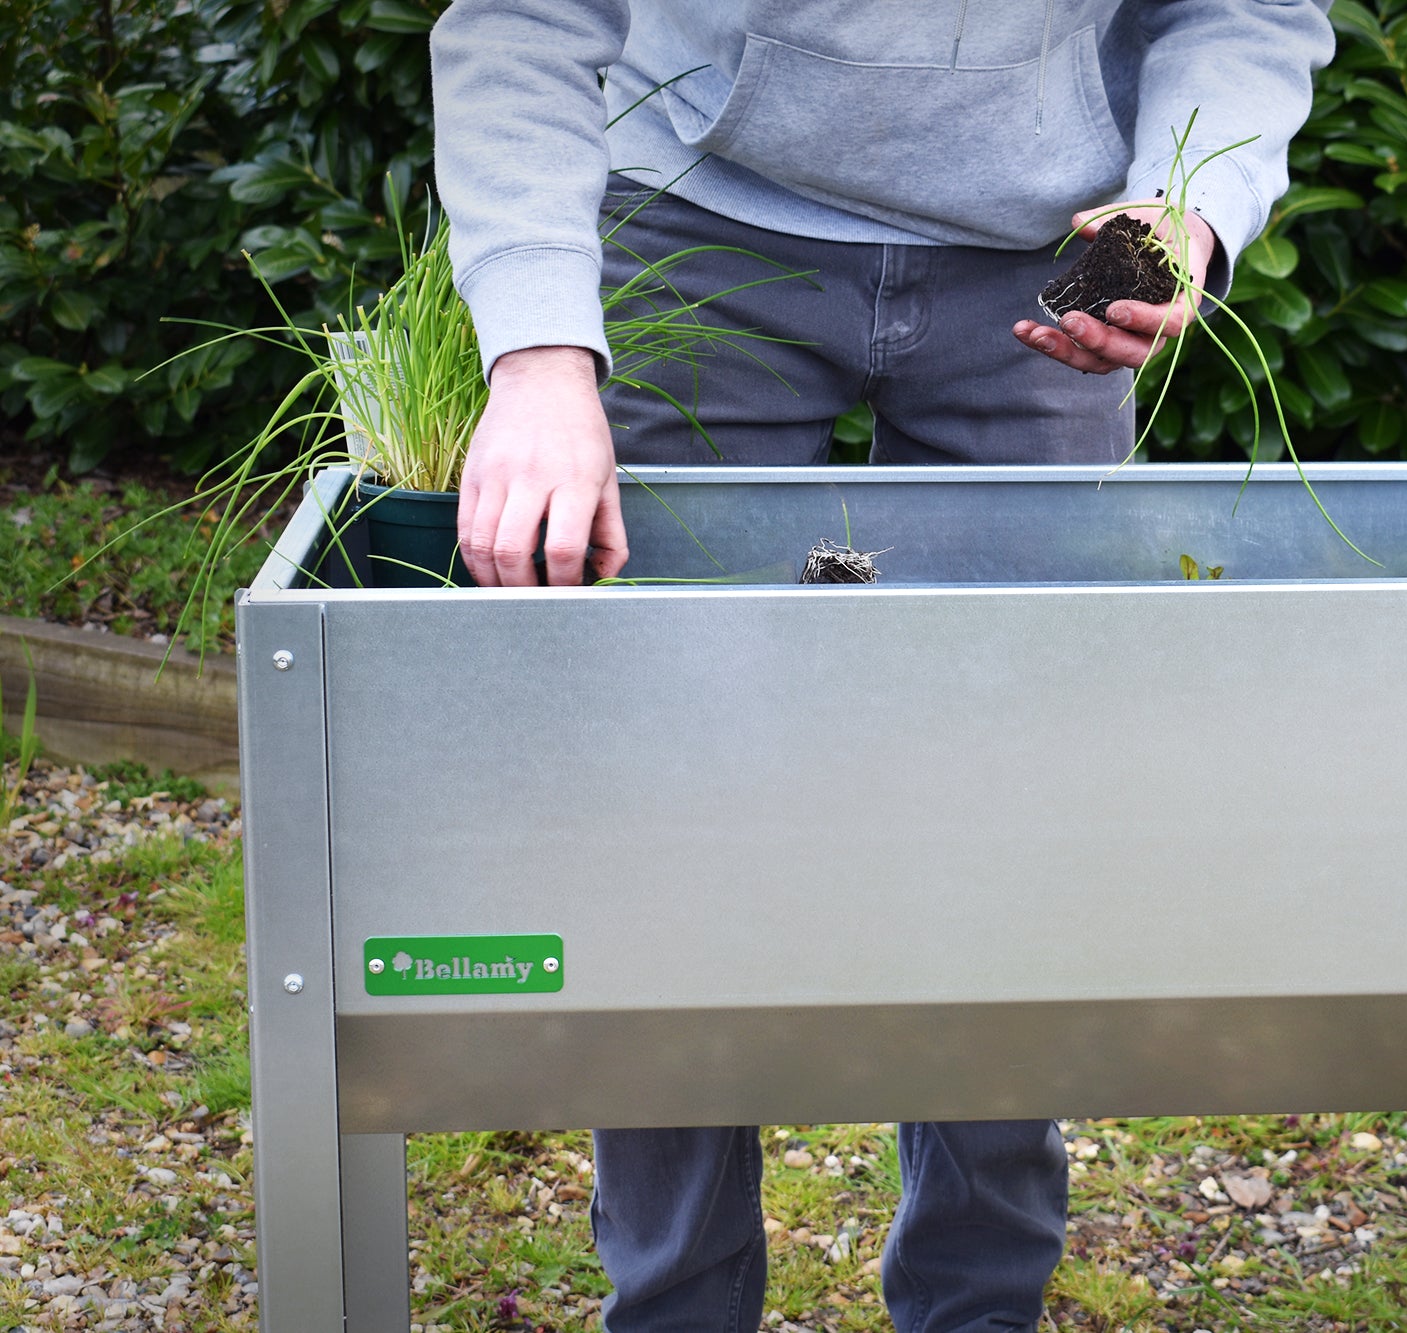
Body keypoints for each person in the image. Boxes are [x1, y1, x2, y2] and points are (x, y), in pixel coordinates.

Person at [430, 3, 1335, 1328]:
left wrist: (1184, 208)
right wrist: (540, 351)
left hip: (1046, 257)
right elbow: (523, 18)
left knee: (1011, 812)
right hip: (698, 222)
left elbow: (1240, 11)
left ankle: (979, 1304)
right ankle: (678, 1305)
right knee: (667, 815)